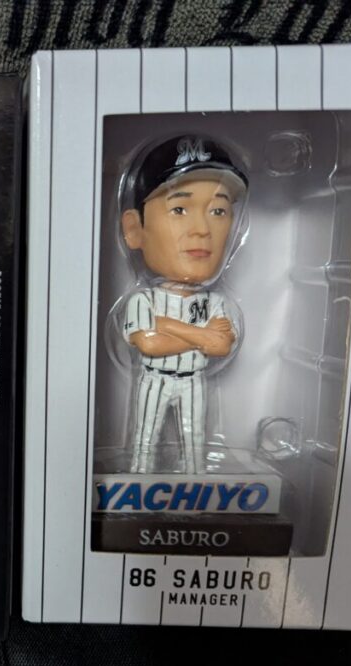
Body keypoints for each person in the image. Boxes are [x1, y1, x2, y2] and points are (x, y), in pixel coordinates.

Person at [120, 135, 248, 474]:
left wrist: (168, 327)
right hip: (154, 379)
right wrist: (201, 335)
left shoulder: (215, 302)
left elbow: (220, 346)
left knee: (195, 448)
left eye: (218, 211)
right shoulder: (143, 299)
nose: (202, 229)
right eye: (179, 209)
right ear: (134, 229)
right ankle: (139, 484)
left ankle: (195, 486)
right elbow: (148, 344)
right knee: (144, 444)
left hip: (194, 380)